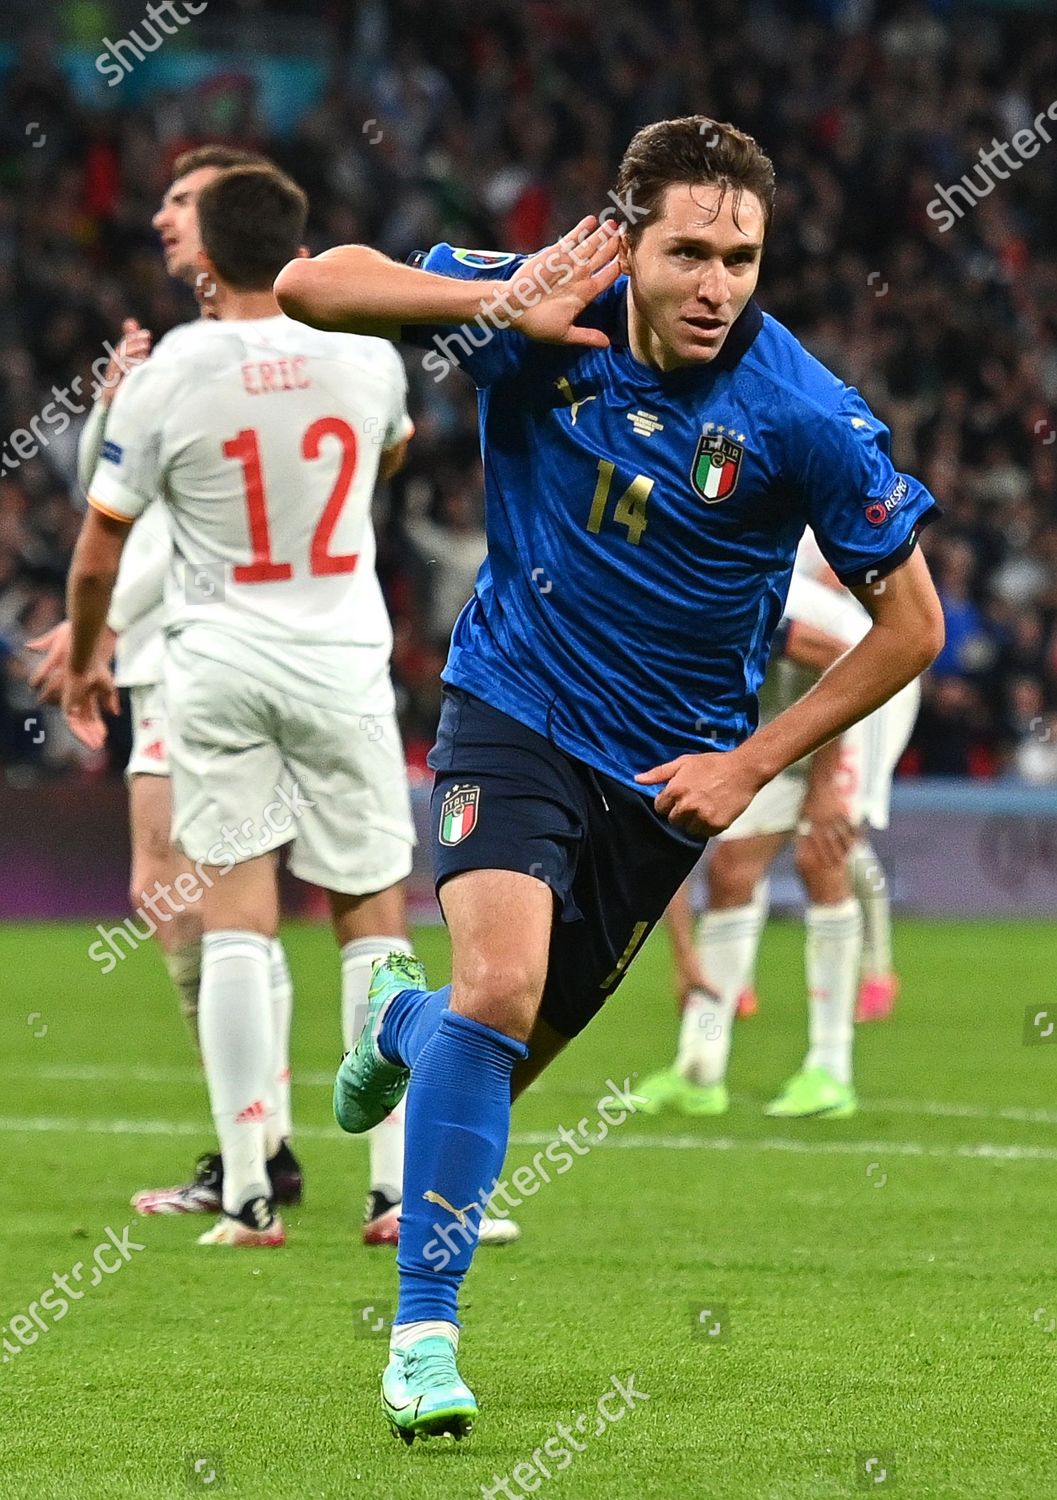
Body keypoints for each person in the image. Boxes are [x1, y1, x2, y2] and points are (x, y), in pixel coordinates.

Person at [275, 114, 944, 1439]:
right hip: (510, 705)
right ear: (626, 239)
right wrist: (490, 302)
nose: (716, 285)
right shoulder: (540, 307)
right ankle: (422, 1341)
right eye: (689, 251)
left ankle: (397, 1027)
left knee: (490, 1056)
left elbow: (914, 626)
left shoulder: (800, 411)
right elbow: (308, 283)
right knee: (502, 986)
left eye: (741, 258)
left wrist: (754, 762)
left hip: (668, 773)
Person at [32, 147, 459, 1248]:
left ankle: (251, 1194)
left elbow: (94, 554)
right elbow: (388, 459)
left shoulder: (174, 368)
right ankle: (398, 1193)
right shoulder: (364, 361)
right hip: (340, 659)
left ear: (209, 254)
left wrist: (84, 653)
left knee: (235, 917)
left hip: (217, 663)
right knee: (374, 914)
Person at [638, 532, 921, 1120]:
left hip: (867, 677)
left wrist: (822, 791)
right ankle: (700, 1067)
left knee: (822, 855)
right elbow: (665, 826)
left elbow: (843, 662)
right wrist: (682, 959)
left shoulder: (726, 605)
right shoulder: (653, 655)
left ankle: (830, 1071)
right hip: (785, 698)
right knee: (732, 870)